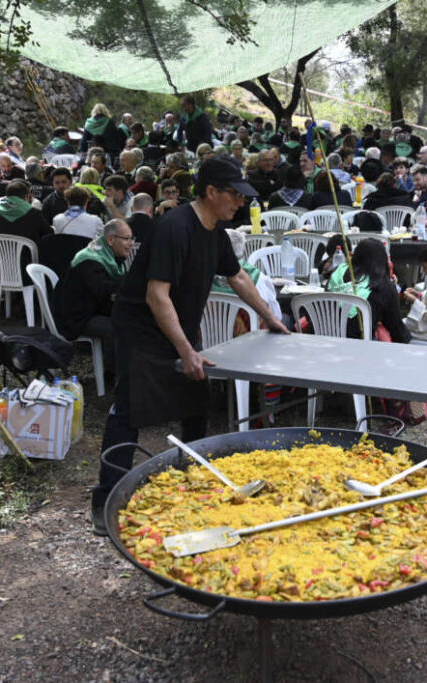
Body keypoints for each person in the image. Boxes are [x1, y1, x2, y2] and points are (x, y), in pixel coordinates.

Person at [92, 157, 289, 535]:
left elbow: (238, 277)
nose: (240, 203)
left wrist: (270, 316)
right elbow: (156, 296)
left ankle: (192, 481)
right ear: (211, 191)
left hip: (178, 324)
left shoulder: (215, 231)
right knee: (128, 412)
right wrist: (186, 350)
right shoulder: (174, 228)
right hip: (142, 328)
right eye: (234, 195)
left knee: (197, 400)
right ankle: (104, 501)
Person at [52, 219, 131, 377]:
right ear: (110, 239)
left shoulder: (108, 255)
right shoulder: (91, 260)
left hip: (91, 307)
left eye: (132, 238)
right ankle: (114, 375)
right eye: (127, 239)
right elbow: (104, 294)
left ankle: (129, 367)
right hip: (76, 315)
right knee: (118, 325)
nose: (130, 243)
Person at [327, 238, 410, 343]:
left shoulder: (337, 274)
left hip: (322, 340)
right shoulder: (384, 286)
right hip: (359, 346)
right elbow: (395, 328)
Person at [0, 180, 51, 247]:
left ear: (6, 196)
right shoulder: (34, 212)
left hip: (0, 255)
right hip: (28, 255)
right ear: (26, 196)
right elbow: (48, 232)